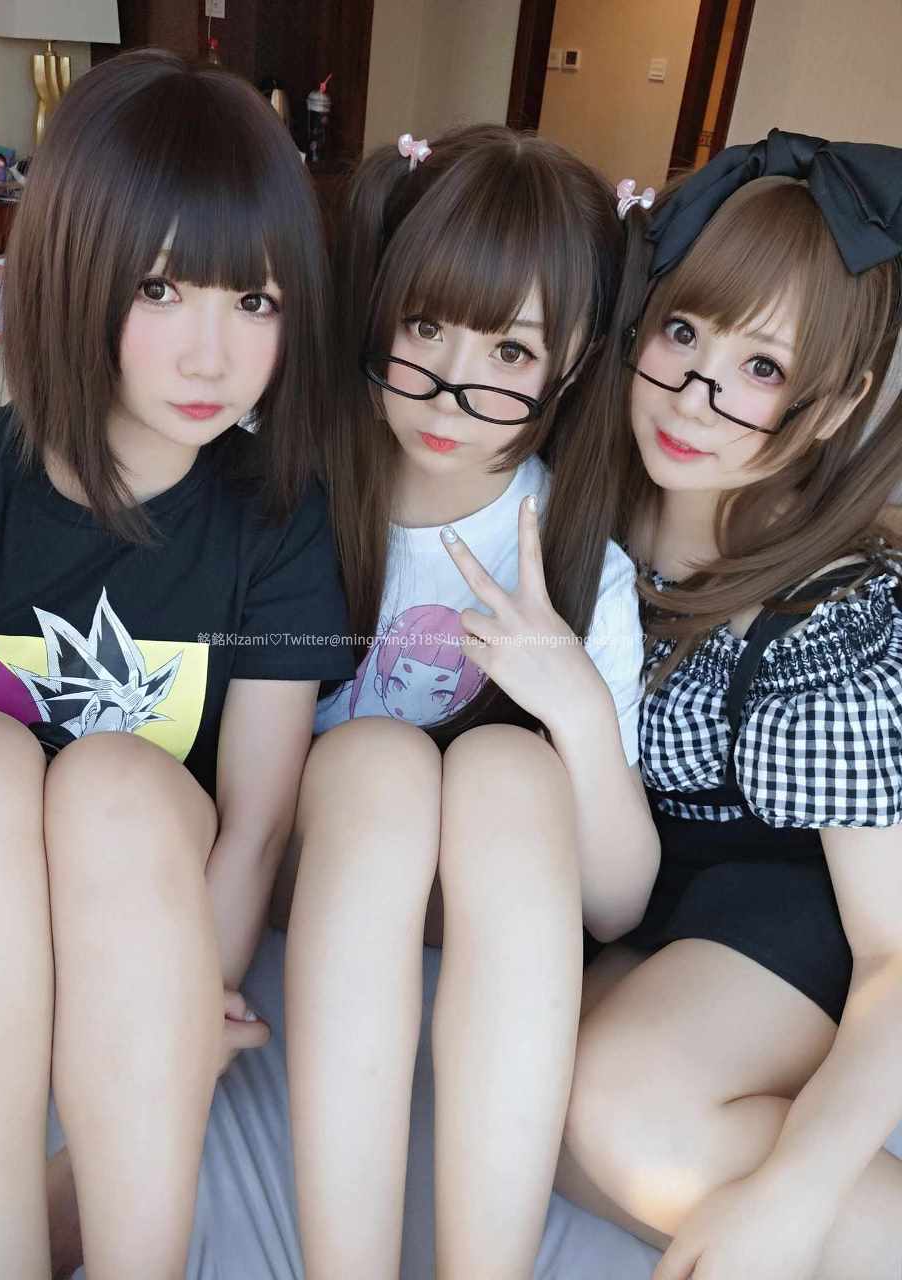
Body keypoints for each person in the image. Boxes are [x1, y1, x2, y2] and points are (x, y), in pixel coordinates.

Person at [0, 49, 351, 1280]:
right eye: (163, 289)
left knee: (115, 780)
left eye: (256, 301)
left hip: (149, 914)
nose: (213, 358)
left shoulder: (278, 517)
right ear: (74, 270)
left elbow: (257, 826)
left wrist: (186, 1007)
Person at [283, 125, 660, 1279]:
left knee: (507, 766)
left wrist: (576, 707)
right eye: (426, 326)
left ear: (573, 359)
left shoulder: (577, 556)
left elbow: (617, 904)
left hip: (494, 890)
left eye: (509, 348)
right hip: (325, 862)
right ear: (380, 310)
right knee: (380, 760)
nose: (452, 385)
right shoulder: (296, 491)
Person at [554, 130, 902, 1280]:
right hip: (646, 899)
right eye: (684, 332)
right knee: (525, 1097)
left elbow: (897, 951)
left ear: (834, 403)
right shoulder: (582, 510)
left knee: (627, 1116)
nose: (695, 397)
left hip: (802, 903)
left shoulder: (827, 615)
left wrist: (790, 1199)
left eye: (761, 366)